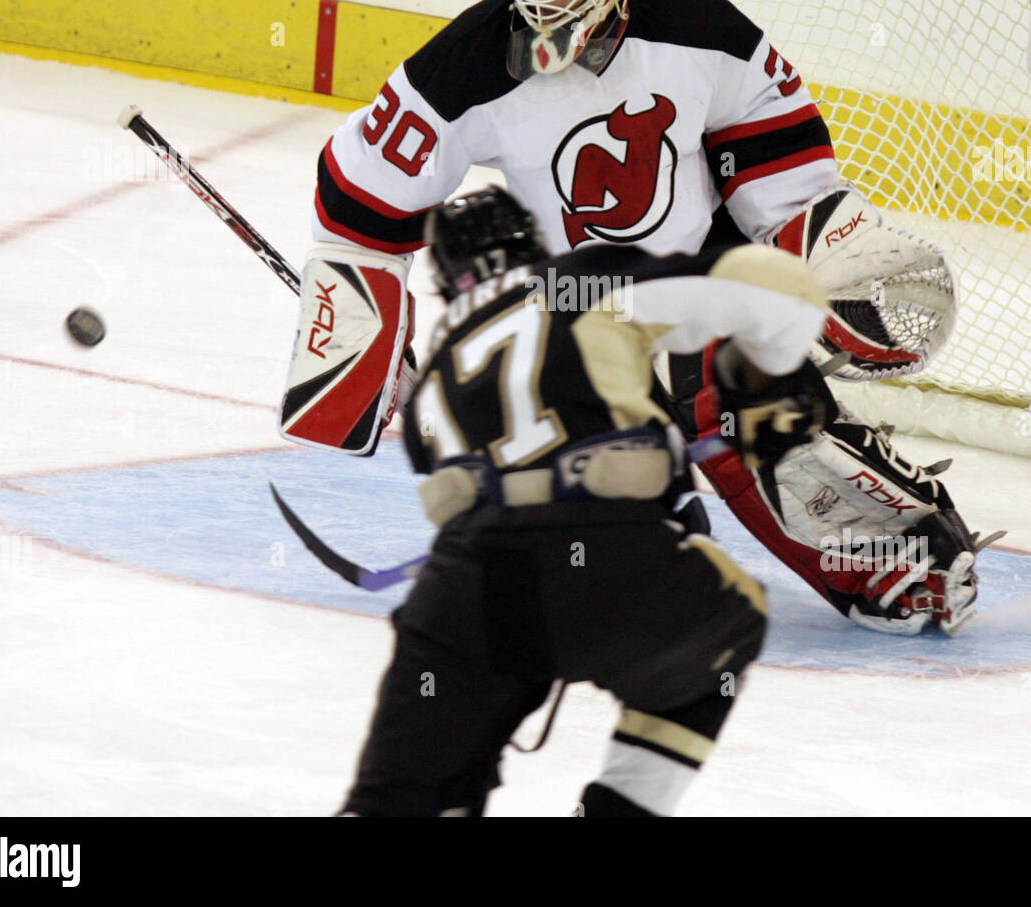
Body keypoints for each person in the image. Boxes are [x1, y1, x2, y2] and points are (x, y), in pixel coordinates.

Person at [280, 0, 981, 636]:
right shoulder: (467, 65)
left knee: (734, 393)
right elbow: (359, 200)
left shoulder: (701, 30)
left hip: (690, 283)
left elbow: (783, 175)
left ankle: (881, 550)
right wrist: (369, 343)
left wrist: (832, 263)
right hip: (569, 306)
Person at [340, 186, 835, 816]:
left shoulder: (435, 370)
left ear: (446, 281)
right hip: (606, 550)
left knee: (404, 799)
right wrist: (759, 377)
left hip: (461, 594)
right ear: (533, 245)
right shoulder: (579, 279)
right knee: (726, 624)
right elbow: (780, 284)